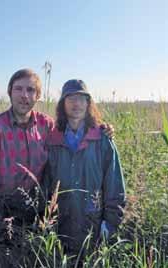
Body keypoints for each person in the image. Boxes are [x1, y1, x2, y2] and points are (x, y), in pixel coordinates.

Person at [0, 69, 115, 263]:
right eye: (18, 89)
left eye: (30, 90)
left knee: (31, 258)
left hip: (33, 209)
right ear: (10, 92)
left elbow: (74, 136)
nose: (24, 95)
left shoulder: (47, 126)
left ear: (38, 96)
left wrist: (102, 129)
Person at [45, 79, 126, 256]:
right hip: (60, 230)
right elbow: (46, 186)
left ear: (88, 103)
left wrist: (110, 223)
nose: (77, 104)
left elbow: (115, 185)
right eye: (71, 98)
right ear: (62, 104)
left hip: (93, 228)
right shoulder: (53, 140)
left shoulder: (102, 139)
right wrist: (46, 222)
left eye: (82, 98)